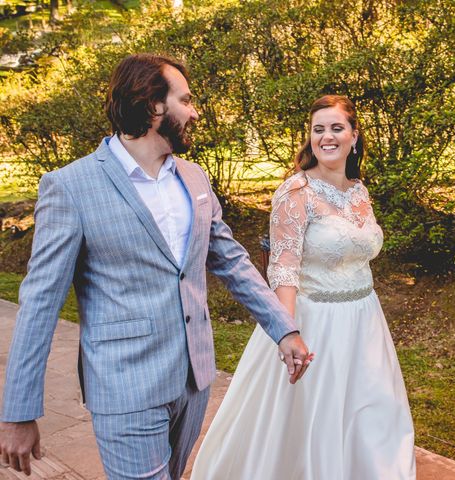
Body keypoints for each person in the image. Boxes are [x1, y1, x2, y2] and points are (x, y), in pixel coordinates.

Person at [0, 53, 311, 479]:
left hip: (194, 381)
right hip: (125, 387)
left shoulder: (195, 177)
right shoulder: (70, 187)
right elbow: (39, 302)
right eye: (185, 100)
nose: (195, 111)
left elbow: (232, 262)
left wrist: (284, 327)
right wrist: (18, 411)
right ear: (152, 106)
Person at [191, 95, 416, 479]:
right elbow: (283, 268)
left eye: (336, 128)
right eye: (318, 130)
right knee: (309, 423)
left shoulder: (358, 190)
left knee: (373, 415)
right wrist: (287, 332)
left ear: (354, 135)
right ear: (310, 138)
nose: (327, 137)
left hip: (365, 321)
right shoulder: (296, 193)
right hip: (315, 322)